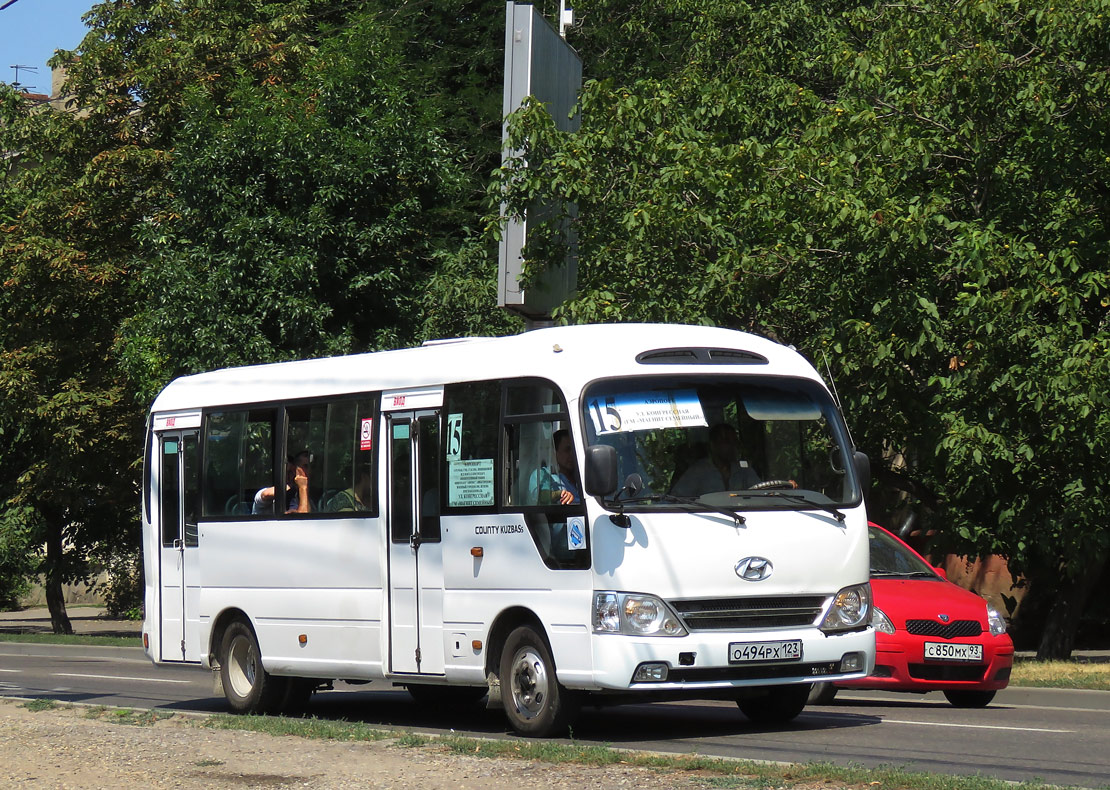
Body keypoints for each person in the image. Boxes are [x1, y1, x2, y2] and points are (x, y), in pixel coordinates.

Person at [671, 423, 759, 496]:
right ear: (713, 445)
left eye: (735, 442)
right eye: (727, 442)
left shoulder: (744, 470)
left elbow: (760, 494)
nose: (732, 446)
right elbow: (677, 499)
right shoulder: (698, 471)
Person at [528, 429, 581, 504]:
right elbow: (540, 496)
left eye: (574, 450)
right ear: (554, 453)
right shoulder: (543, 474)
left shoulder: (583, 476)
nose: (572, 454)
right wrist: (559, 494)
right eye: (567, 450)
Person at [254, 450, 313, 514]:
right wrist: (302, 487)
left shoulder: (298, 498)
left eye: (293, 471)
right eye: (288, 471)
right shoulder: (264, 495)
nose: (291, 475)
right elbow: (266, 494)